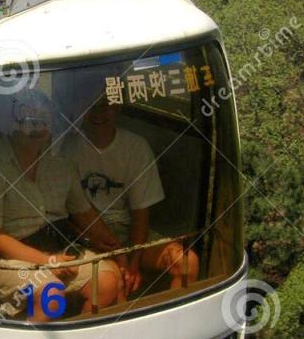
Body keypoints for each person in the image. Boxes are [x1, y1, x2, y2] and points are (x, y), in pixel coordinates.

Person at [0, 89, 122, 322]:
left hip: (58, 248)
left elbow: (85, 214)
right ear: (12, 124)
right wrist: (46, 262)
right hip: (7, 259)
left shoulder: (60, 166)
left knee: (108, 281)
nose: (37, 129)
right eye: (29, 121)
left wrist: (119, 252)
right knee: (52, 296)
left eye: (43, 121)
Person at [59, 85, 199, 296]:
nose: (99, 112)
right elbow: (62, 212)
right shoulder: (65, 148)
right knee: (116, 283)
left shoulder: (135, 147)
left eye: (106, 104)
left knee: (187, 264)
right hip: (86, 235)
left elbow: (141, 213)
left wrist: (134, 260)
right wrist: (90, 239)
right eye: (92, 106)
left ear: (118, 107)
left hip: (129, 231)